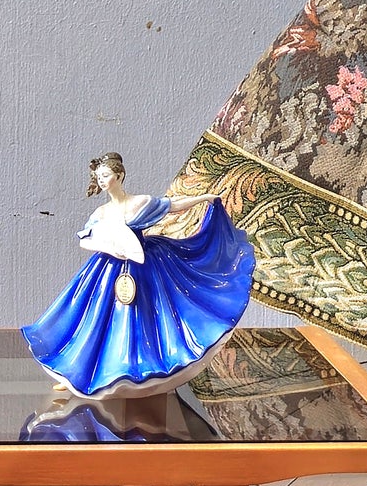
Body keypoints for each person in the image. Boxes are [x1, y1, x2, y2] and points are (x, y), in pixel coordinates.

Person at [21, 151, 255, 401]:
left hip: (146, 266)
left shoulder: (140, 202)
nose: (102, 181)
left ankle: (149, 373)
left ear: (119, 175)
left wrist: (203, 198)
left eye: (106, 175)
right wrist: (110, 246)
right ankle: (74, 374)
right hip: (108, 269)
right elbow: (85, 239)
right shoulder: (101, 212)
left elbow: (172, 205)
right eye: (99, 177)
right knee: (92, 319)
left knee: (151, 317)